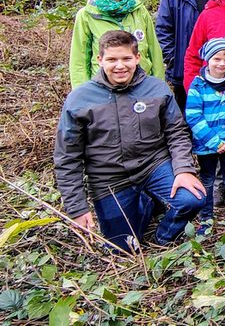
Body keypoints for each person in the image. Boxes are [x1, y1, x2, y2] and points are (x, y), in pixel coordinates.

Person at [55, 31, 206, 252]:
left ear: (137, 58)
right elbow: (67, 157)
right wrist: (77, 208)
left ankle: (162, 238)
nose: (120, 66)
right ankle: (144, 204)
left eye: (126, 58)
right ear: (100, 60)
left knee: (193, 199)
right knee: (123, 248)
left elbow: (176, 131)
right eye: (112, 60)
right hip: (109, 178)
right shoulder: (80, 99)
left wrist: (184, 169)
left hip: (153, 166)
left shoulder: (157, 88)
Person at [69, 0, 164, 89]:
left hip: (141, 84)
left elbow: (154, 49)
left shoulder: (138, 10)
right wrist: (82, 95)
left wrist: (158, 85)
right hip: (103, 87)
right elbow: (79, 59)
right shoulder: (86, 15)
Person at [185, 37, 225, 228]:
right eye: (217, 59)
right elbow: (194, 116)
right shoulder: (198, 85)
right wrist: (214, 142)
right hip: (206, 145)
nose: (222, 64)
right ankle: (206, 218)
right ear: (207, 60)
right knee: (208, 180)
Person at [156, 0, 220, 111]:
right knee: (187, 118)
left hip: (219, 68)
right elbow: (163, 30)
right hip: (184, 69)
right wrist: (174, 59)